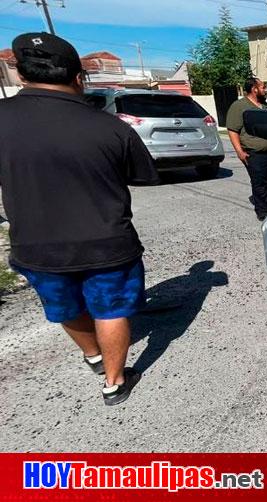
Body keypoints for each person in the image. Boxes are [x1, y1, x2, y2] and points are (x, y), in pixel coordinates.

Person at [0, 33, 159, 405]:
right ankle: (114, 382)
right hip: (108, 243)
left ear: (20, 74)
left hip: (37, 247)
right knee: (111, 309)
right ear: (78, 77)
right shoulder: (111, 126)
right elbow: (143, 175)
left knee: (66, 308)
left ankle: (93, 357)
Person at [226, 77, 267, 221]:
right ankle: (262, 212)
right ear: (254, 89)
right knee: (259, 182)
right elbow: (232, 130)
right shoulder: (239, 106)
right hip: (255, 154)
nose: (265, 90)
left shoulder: (265, 106)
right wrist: (239, 152)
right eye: (263, 87)